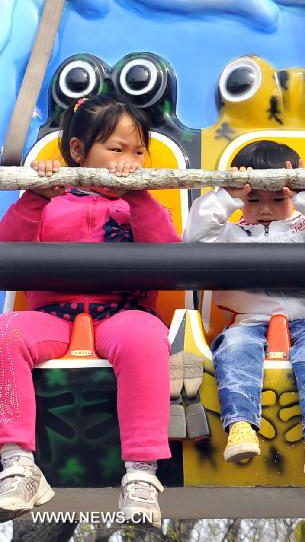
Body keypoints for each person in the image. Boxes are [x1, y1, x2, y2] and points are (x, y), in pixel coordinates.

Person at [0, 94, 179, 526]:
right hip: (54, 317)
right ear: (78, 152)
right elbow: (9, 253)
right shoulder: (49, 201)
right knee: (6, 334)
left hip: (121, 313)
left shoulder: (137, 203)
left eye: (138, 152)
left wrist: (138, 197)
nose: (128, 159)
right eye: (116, 149)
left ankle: (140, 473)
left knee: (144, 337)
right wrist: (34, 197)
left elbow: (169, 258)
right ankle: (18, 463)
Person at [183, 140, 305, 476]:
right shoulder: (230, 234)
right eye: (253, 199)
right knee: (233, 346)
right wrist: (225, 195)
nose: (265, 208)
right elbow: (195, 239)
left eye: (278, 198)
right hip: (250, 322)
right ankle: (241, 426)